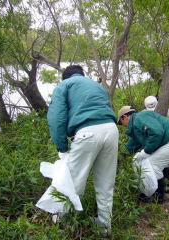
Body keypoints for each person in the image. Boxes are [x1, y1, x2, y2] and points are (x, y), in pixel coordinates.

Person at [47, 65, 118, 233]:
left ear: (65, 77)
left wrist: (62, 147)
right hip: (111, 129)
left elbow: (56, 117)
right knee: (105, 183)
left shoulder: (64, 86)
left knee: (71, 182)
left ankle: (62, 226)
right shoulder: (97, 85)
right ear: (81, 74)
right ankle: (104, 227)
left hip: (87, 133)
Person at [117, 106, 169, 204]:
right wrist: (120, 156)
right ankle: (165, 190)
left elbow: (157, 133)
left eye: (121, 122)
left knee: (152, 164)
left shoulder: (139, 118)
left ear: (125, 117)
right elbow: (132, 144)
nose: (123, 126)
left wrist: (145, 152)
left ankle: (157, 197)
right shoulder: (137, 126)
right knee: (160, 162)